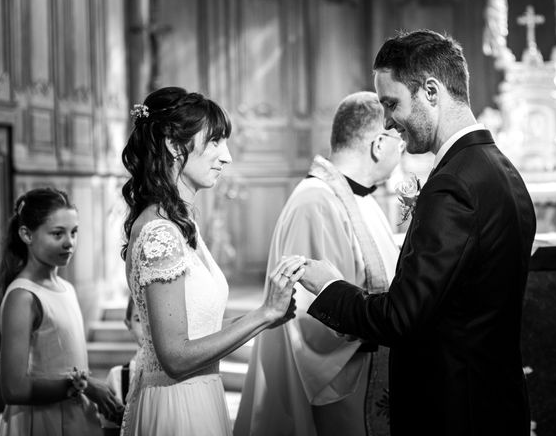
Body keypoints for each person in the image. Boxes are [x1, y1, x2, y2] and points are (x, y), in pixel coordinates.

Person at [298, 30, 537, 436]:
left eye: (392, 104)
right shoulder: (501, 171)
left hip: (453, 412)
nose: (387, 121)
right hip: (492, 402)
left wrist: (329, 288)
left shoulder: (454, 186)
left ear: (431, 91)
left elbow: (401, 318)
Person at [119, 87, 305, 436]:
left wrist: (267, 317)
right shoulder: (160, 234)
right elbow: (175, 358)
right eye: (216, 141)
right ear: (175, 146)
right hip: (178, 408)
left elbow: (199, 331)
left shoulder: (178, 226)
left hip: (200, 396)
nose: (227, 156)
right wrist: (262, 313)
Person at [234, 91, 402, 436]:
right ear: (379, 144)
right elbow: (311, 318)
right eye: (398, 139)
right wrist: (382, 326)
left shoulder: (363, 201)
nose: (404, 149)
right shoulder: (315, 203)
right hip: (340, 384)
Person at [0, 187, 122, 436]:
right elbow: (14, 388)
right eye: (57, 234)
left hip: (74, 415)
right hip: (42, 421)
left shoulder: (65, 288)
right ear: (26, 234)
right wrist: (82, 387)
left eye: (74, 232)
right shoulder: (23, 296)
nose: (69, 242)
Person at [102, 297, 143, 436]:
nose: (148, 326)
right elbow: (109, 430)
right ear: (128, 324)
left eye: (152, 317)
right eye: (139, 319)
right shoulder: (117, 376)